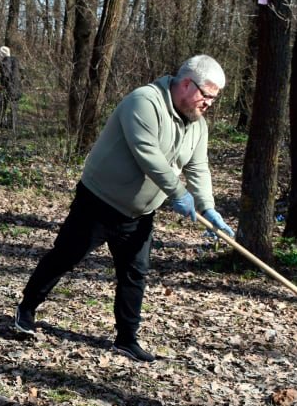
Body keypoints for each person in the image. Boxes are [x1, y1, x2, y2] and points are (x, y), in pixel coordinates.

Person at [13, 55, 235, 361]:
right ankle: (26, 308)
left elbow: (199, 168)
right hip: (99, 201)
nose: (209, 103)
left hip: (139, 213)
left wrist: (208, 207)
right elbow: (148, 155)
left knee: (135, 273)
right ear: (187, 84)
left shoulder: (197, 125)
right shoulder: (143, 102)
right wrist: (178, 193)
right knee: (65, 256)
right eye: (207, 96)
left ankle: (126, 339)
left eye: (214, 98)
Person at [0, 45, 21, 129]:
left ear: (2, 54)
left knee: (2, 105)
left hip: (10, 88)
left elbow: (6, 76)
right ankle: (13, 127)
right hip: (17, 87)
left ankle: (0, 124)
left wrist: (2, 86)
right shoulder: (15, 61)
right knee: (14, 108)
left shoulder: (4, 63)